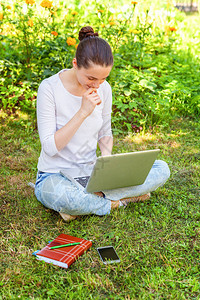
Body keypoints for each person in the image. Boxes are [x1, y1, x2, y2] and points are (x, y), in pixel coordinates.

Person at [34, 26, 170, 221]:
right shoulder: (49, 88)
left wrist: (108, 164)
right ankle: (119, 201)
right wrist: (82, 112)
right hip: (55, 175)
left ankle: (89, 203)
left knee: (161, 169)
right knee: (62, 196)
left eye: (103, 78)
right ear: (75, 64)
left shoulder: (103, 88)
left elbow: (105, 130)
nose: (97, 85)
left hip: (92, 174)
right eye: (91, 78)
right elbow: (49, 148)